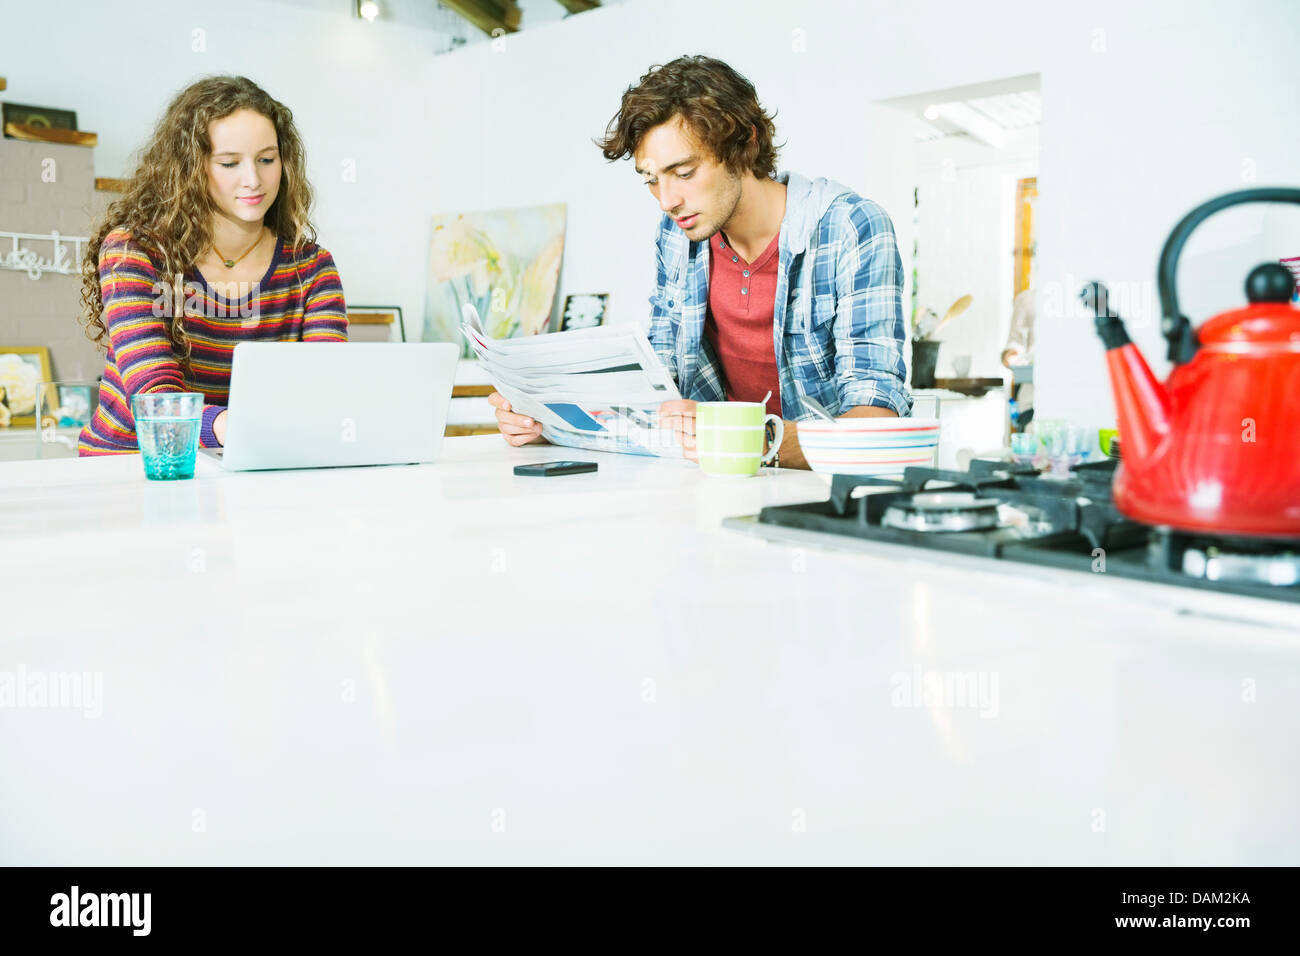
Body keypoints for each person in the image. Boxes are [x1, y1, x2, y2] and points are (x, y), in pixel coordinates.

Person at [491, 55, 911, 467]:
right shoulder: (677, 237)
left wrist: (748, 440)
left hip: (827, 499)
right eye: (652, 180)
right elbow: (658, 391)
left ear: (743, 144)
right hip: (713, 485)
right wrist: (549, 419)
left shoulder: (851, 228)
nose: (667, 201)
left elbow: (875, 422)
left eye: (685, 172)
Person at [77, 76, 347, 455]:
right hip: (129, 467)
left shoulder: (312, 268)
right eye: (229, 163)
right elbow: (154, 395)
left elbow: (327, 384)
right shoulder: (134, 252)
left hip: (247, 463)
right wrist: (230, 426)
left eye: (267, 160)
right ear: (190, 168)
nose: (253, 180)